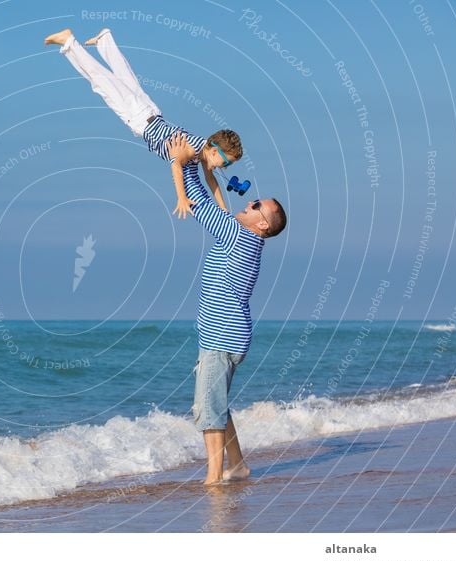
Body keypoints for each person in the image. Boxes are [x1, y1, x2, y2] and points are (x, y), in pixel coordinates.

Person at [167, 133, 287, 486]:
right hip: (228, 335)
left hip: (223, 338)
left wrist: (185, 160)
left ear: (262, 223)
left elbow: (201, 205)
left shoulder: (236, 235)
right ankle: (237, 465)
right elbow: (211, 196)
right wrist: (199, 165)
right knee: (216, 401)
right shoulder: (244, 237)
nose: (249, 204)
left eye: (255, 207)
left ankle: (213, 479)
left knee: (207, 408)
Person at [45, 28, 241, 219]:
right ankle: (69, 42)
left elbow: (210, 180)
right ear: (215, 151)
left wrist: (224, 210)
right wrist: (182, 198)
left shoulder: (204, 153)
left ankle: (105, 40)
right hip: (139, 117)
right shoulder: (190, 149)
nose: (224, 167)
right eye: (226, 163)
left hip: (151, 112)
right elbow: (176, 166)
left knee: (124, 76)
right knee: (101, 82)